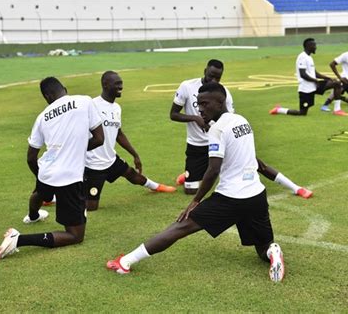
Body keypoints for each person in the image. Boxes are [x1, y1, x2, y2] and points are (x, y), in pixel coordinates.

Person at [107, 82, 286, 282]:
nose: (199, 108)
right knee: (263, 248)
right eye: (198, 104)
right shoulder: (242, 120)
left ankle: (126, 262)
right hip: (256, 196)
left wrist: (196, 201)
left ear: (220, 102)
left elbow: (213, 169)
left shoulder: (217, 130)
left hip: (231, 198)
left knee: (180, 227)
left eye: (205, 104)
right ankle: (273, 252)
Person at [0, 77, 104, 261]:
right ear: (65, 89)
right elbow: (99, 138)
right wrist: (76, 149)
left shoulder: (42, 117)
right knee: (75, 235)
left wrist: (40, 176)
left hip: (46, 170)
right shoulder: (85, 101)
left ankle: (33, 215)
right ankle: (17, 240)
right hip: (69, 177)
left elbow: (31, 157)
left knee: (40, 193)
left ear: (47, 96)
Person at [85, 71, 175, 211]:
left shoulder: (116, 108)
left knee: (132, 175)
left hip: (110, 159)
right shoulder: (91, 105)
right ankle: (52, 197)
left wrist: (135, 155)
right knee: (91, 206)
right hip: (93, 164)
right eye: (117, 84)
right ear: (105, 84)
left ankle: (157, 187)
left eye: (121, 83)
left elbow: (118, 133)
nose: (121, 86)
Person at [170, 59, 234, 194]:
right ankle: (192, 173)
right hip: (196, 145)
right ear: (205, 72)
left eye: (218, 77)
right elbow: (173, 114)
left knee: (231, 182)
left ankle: (206, 171)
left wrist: (214, 127)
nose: (214, 80)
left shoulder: (224, 93)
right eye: (211, 75)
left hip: (217, 142)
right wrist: (195, 119)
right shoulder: (187, 86)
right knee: (190, 190)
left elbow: (229, 120)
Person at [269, 38, 348, 116]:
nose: (316, 47)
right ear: (308, 46)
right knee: (302, 113)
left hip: (314, 85)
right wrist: (315, 81)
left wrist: (328, 78)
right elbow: (303, 74)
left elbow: (314, 73)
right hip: (306, 89)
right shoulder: (302, 57)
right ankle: (278, 109)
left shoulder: (309, 57)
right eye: (314, 45)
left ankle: (337, 110)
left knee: (337, 83)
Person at [322, 39, 348, 108]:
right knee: (338, 89)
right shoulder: (346, 55)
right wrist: (340, 78)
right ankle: (326, 104)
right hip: (346, 79)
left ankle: (341, 98)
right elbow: (332, 64)